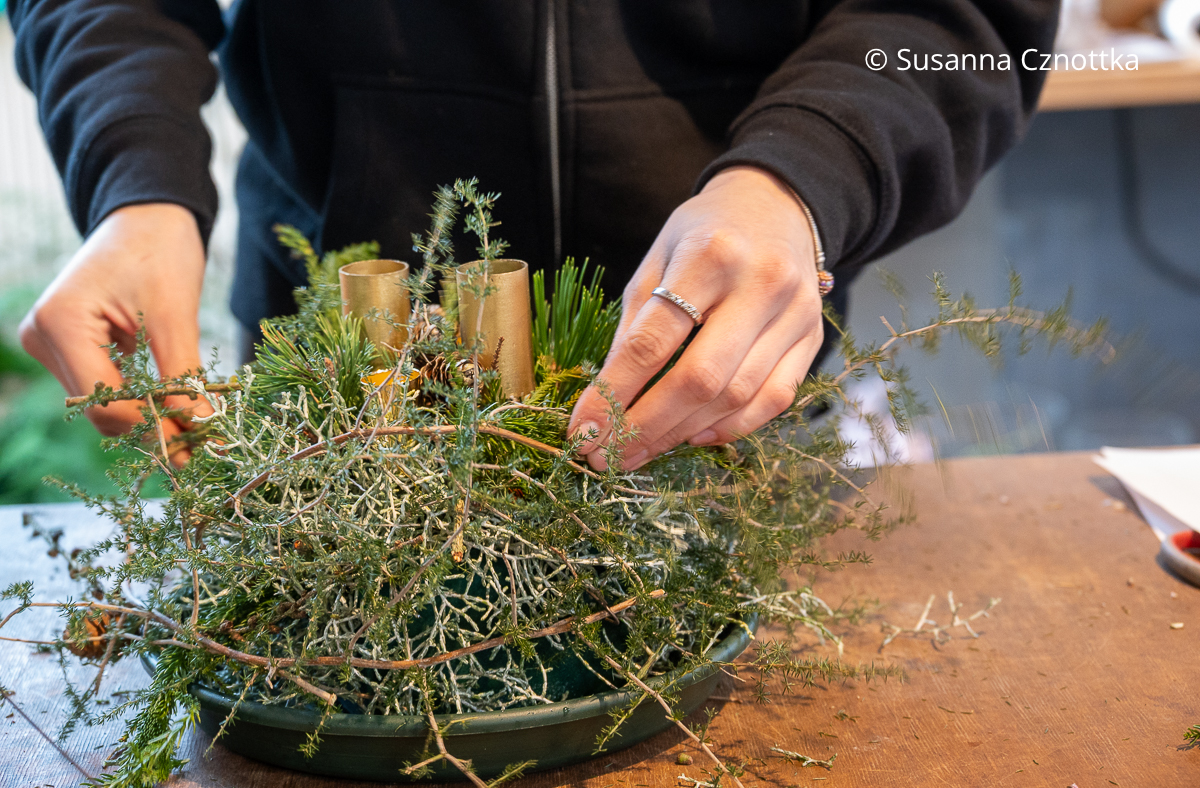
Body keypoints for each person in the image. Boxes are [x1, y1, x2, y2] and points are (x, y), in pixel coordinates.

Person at [9, 1, 1059, 471]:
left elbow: (954, 14)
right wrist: (134, 181)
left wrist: (807, 168)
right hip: (343, 418)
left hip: (734, 403)